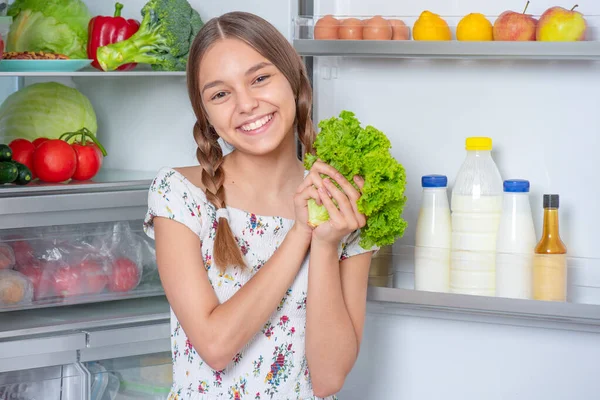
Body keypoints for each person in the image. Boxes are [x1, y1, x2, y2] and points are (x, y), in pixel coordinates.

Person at [143, 11, 378, 400]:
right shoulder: (180, 194)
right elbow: (216, 347)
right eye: (221, 94)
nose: (246, 104)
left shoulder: (343, 202)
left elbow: (329, 378)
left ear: (294, 79)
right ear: (206, 115)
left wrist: (324, 243)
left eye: (260, 78)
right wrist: (301, 232)